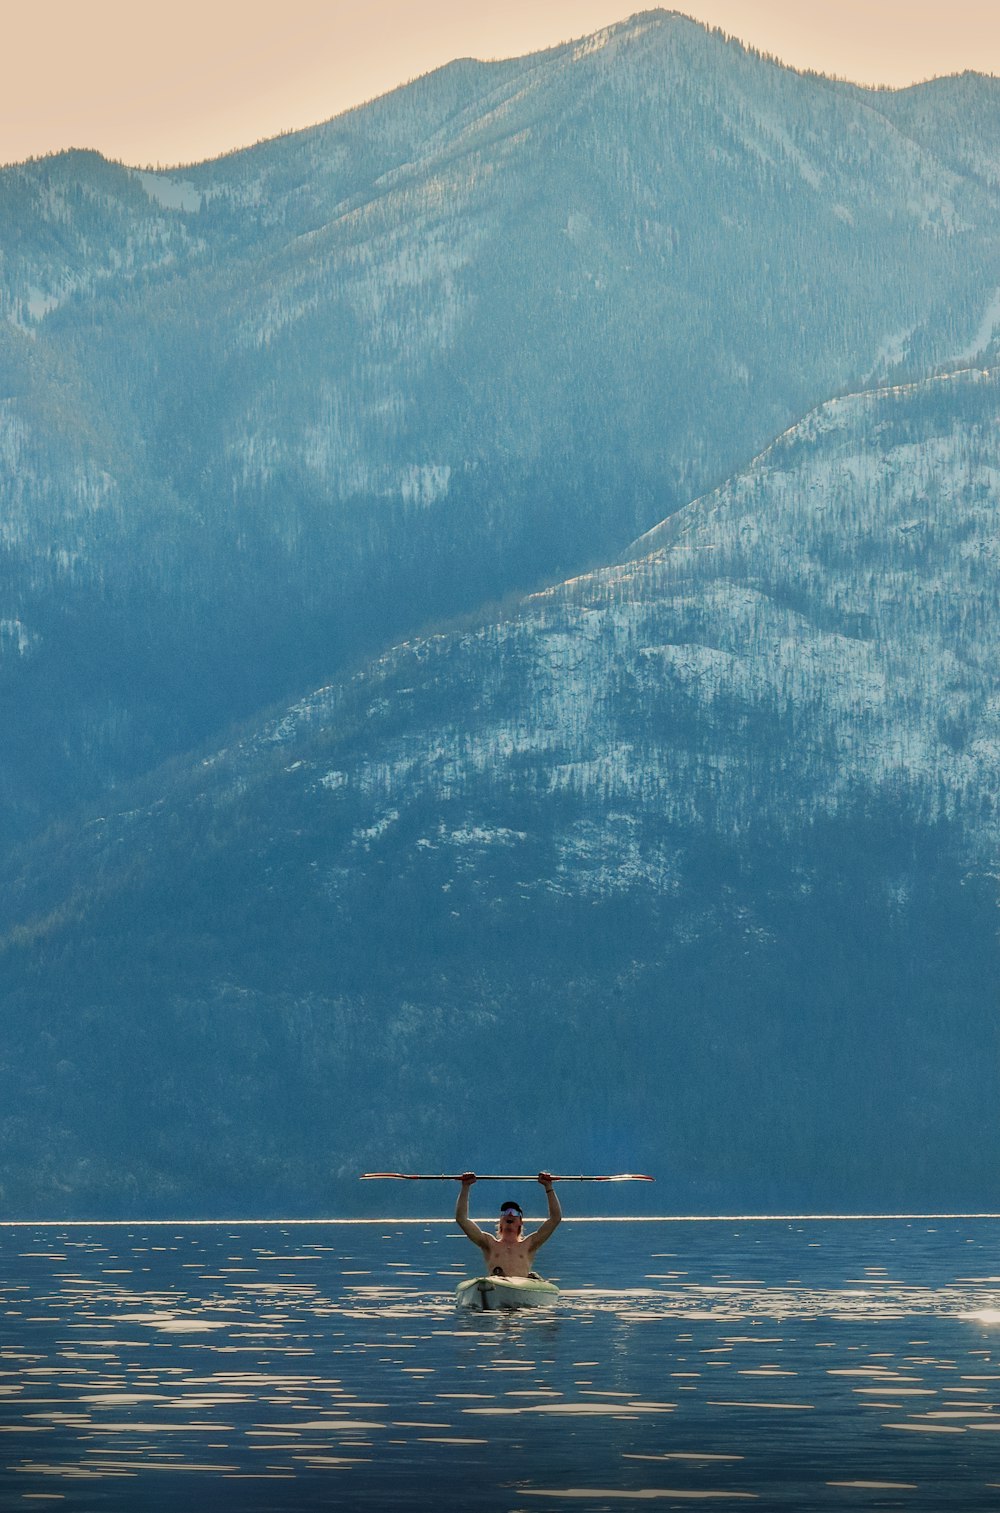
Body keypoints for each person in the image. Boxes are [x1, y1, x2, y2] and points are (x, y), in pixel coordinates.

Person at [455, 1171, 561, 1277]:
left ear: (521, 1222)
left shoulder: (529, 1244)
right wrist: (465, 1186)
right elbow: (462, 1219)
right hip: (496, 1286)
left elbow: (555, 1219)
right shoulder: (488, 1243)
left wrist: (548, 1186)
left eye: (515, 1213)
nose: (510, 1214)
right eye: (505, 1212)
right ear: (500, 1221)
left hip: (520, 1287)